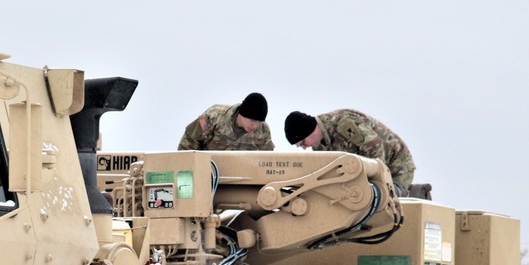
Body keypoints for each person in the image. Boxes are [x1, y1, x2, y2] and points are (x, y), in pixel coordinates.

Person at [284, 109, 415, 196]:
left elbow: (375, 148)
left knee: (383, 197)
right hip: (369, 173)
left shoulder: (343, 124)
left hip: (396, 166)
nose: (305, 147)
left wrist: (372, 184)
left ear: (309, 131)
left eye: (302, 143)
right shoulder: (320, 146)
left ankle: (414, 193)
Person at [178, 93, 274, 151]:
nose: (255, 126)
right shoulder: (213, 116)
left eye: (259, 121)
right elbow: (189, 141)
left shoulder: (263, 131)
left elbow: (267, 162)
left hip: (244, 179)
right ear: (243, 113)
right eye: (252, 120)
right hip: (208, 175)